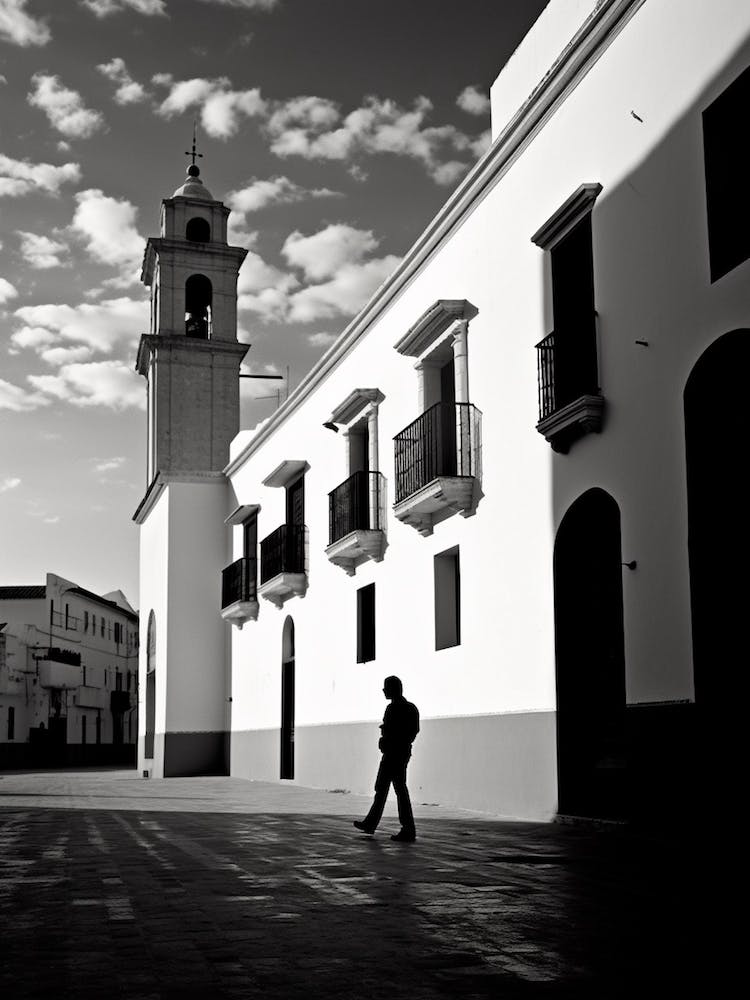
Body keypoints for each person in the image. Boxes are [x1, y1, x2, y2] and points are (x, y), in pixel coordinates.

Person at [354, 676, 420, 842]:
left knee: (388, 789)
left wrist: (389, 741)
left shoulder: (393, 708)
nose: (383, 691)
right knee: (393, 790)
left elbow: (391, 730)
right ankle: (373, 823)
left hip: (392, 754)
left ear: (393, 689)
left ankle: (406, 829)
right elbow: (413, 731)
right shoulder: (410, 708)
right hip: (401, 753)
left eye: (386, 688)